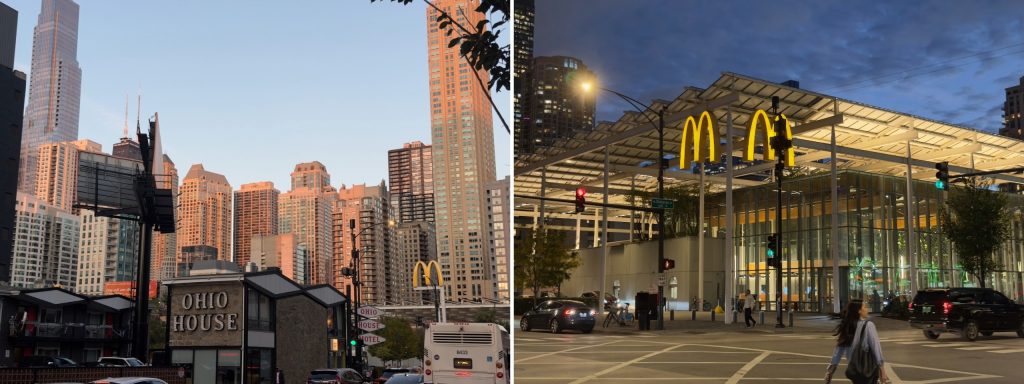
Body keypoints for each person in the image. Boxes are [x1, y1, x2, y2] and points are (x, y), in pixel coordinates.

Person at [826, 300, 888, 384]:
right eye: (865, 307)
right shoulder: (868, 325)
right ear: (859, 311)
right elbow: (876, 348)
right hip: (867, 369)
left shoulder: (847, 326)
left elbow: (838, 350)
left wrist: (831, 371)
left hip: (854, 370)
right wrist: (882, 370)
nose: (867, 309)